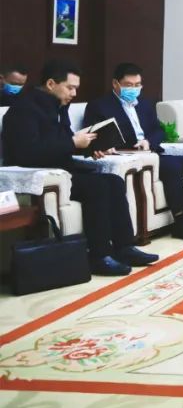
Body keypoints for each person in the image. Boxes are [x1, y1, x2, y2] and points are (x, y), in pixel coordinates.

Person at [1, 59, 158, 276]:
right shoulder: (24, 110)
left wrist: (89, 147)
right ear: (51, 84)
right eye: (70, 87)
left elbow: (63, 142)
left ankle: (124, 247)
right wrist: (73, 142)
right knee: (97, 187)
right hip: (40, 173)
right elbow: (28, 152)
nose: (74, 93)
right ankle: (99, 255)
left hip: (61, 167)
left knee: (113, 180)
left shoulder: (58, 106)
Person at [84, 62, 183, 241]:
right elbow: (94, 136)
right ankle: (180, 222)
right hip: (129, 156)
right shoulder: (99, 106)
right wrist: (105, 146)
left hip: (150, 151)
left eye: (137, 85)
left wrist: (148, 141)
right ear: (115, 83)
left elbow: (158, 130)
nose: (133, 89)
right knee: (172, 166)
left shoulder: (144, 103)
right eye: (128, 85)